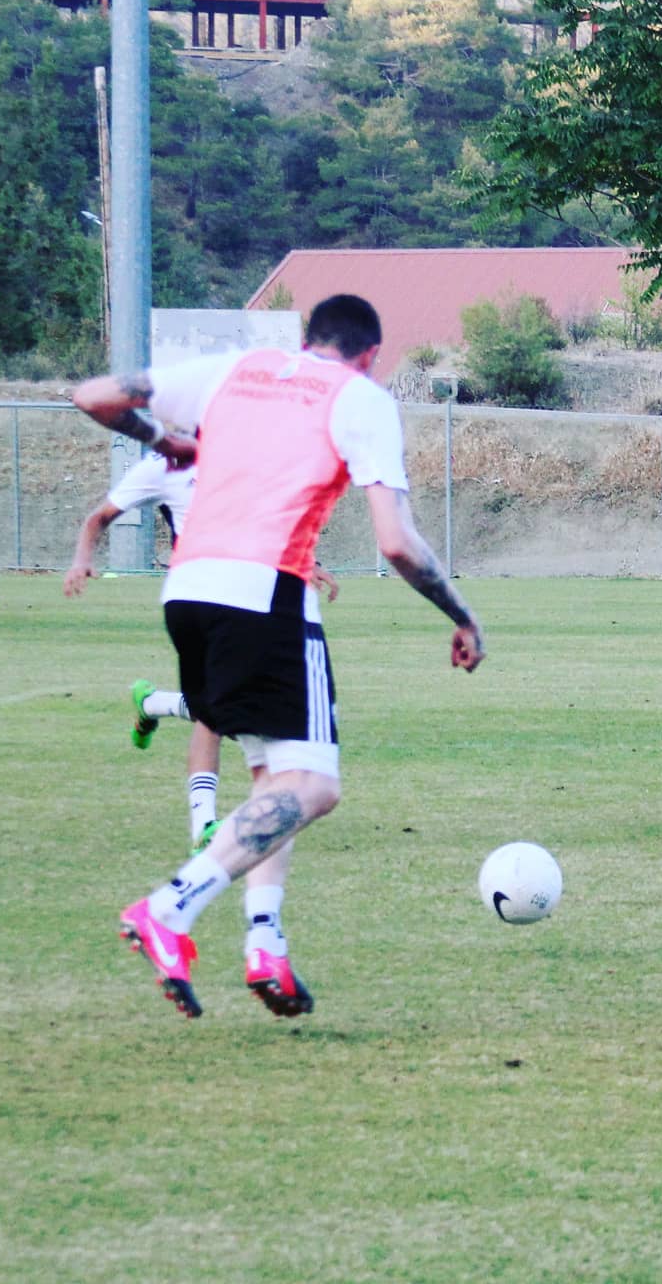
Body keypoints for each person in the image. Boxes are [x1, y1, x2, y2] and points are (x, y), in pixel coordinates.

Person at [74, 293, 485, 1020]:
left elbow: (96, 396)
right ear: (370, 355)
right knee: (315, 787)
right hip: (265, 595)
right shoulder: (360, 396)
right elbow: (396, 542)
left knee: (274, 777)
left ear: (307, 337)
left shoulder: (238, 369)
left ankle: (266, 942)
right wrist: (461, 614)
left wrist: (166, 441)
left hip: (187, 591)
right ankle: (169, 909)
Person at [65, 455, 341, 853]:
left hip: (249, 597)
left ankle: (153, 704)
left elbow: (260, 524)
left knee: (224, 705)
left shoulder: (240, 458)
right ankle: (204, 826)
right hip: (197, 600)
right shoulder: (163, 465)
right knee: (216, 714)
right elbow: (100, 516)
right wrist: (81, 560)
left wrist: (304, 563)